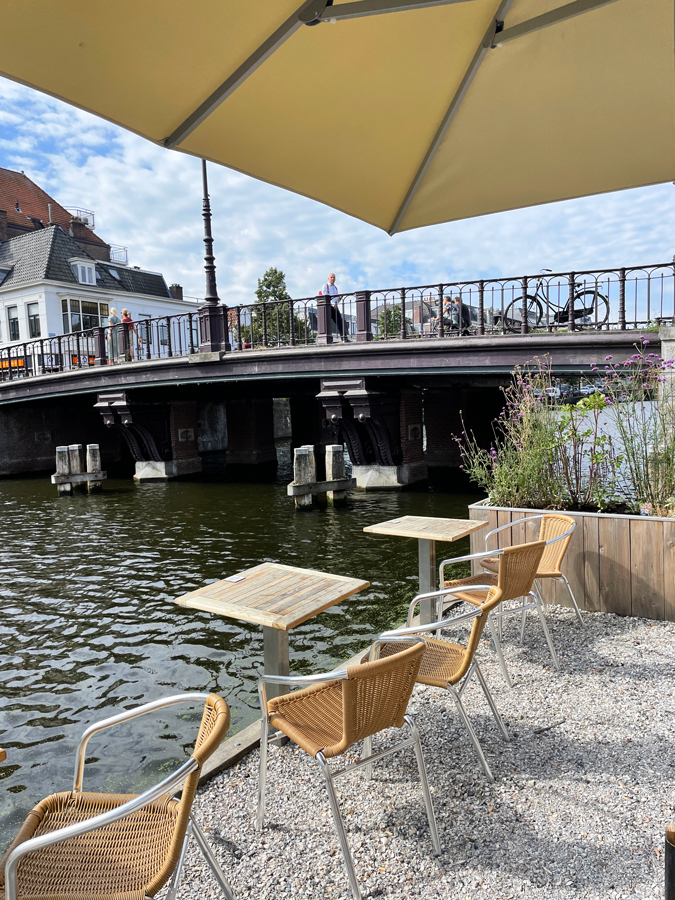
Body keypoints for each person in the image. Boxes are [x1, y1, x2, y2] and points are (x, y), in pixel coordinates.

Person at [319, 272, 349, 341]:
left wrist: (339, 300)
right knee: (326, 323)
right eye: (331, 277)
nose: (332, 279)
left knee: (340, 322)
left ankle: (344, 338)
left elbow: (335, 299)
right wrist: (333, 304)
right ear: (328, 278)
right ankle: (326, 339)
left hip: (334, 307)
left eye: (334, 277)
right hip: (328, 307)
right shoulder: (325, 286)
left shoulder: (335, 288)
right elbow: (326, 296)